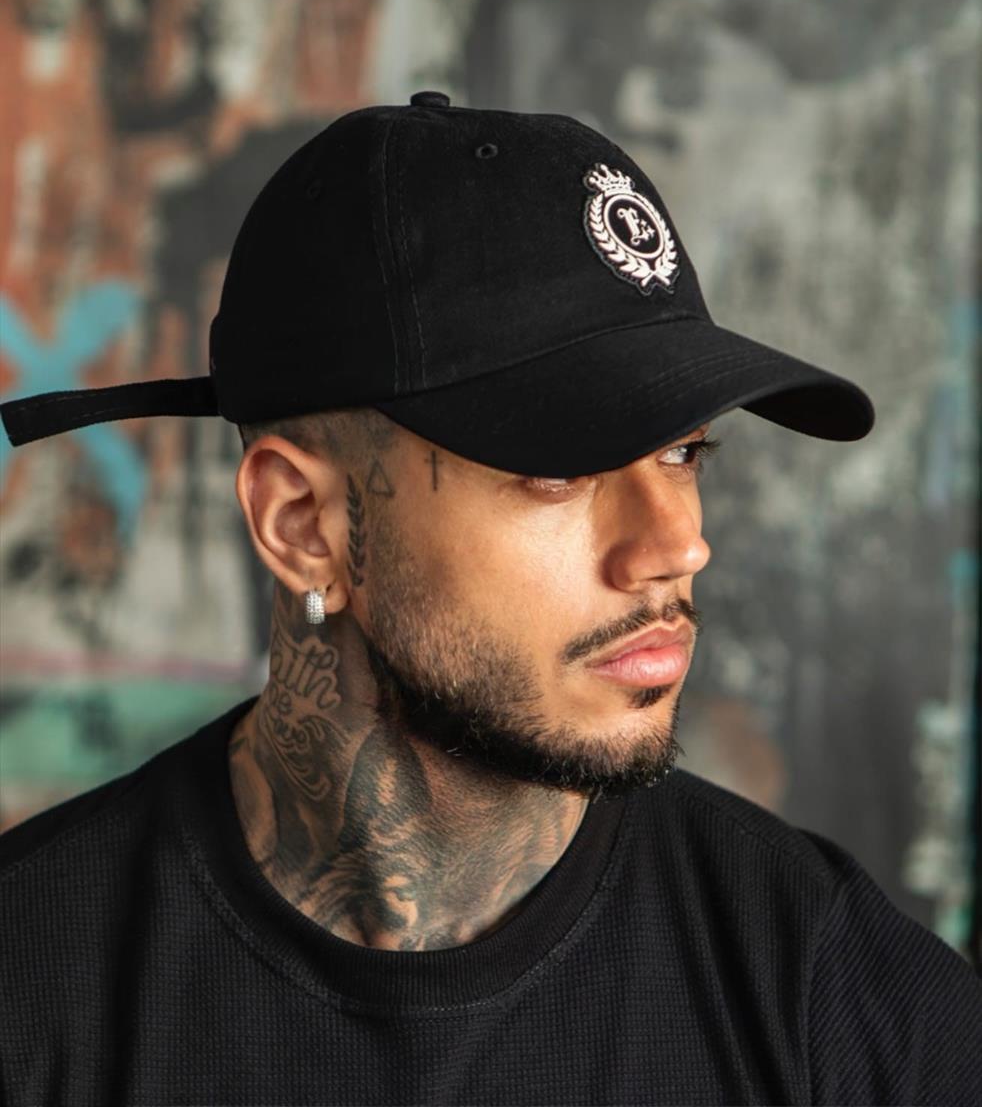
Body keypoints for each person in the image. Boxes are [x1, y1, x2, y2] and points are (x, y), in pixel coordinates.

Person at [1, 91, 979, 1106]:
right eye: (559, 467)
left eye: (683, 451)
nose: (677, 544)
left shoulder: (828, 992)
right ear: (302, 524)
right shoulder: (34, 990)